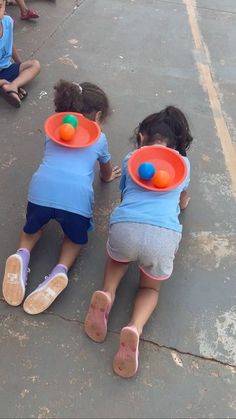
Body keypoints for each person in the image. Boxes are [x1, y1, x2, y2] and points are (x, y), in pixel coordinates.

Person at [84, 106, 193, 378]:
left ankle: (108, 294)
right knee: (150, 289)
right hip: (163, 234)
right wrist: (183, 202)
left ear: (142, 137)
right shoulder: (183, 165)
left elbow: (124, 194)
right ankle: (134, 327)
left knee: (118, 260)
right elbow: (182, 197)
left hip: (127, 226)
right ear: (178, 146)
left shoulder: (133, 158)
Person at [2, 79, 121, 314]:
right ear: (97, 116)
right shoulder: (99, 139)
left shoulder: (54, 130)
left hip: (41, 190)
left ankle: (21, 255)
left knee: (32, 230)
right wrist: (107, 177)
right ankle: (59, 271)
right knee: (74, 239)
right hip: (76, 200)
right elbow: (106, 171)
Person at [0, 0, 40, 107]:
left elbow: (10, 44)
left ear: (4, 8)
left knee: (34, 65)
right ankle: (8, 84)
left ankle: (12, 85)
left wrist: (20, 65)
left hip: (6, 68)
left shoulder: (7, 22)